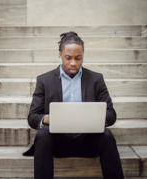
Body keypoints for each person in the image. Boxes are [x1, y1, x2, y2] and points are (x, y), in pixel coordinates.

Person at [23, 31, 124, 179]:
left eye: (78, 58)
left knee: (106, 135)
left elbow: (111, 114)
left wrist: (96, 117)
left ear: (83, 55)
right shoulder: (44, 80)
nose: (73, 63)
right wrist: (47, 119)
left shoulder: (96, 79)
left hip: (88, 141)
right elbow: (32, 117)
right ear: (60, 54)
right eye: (68, 58)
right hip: (58, 143)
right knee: (43, 134)